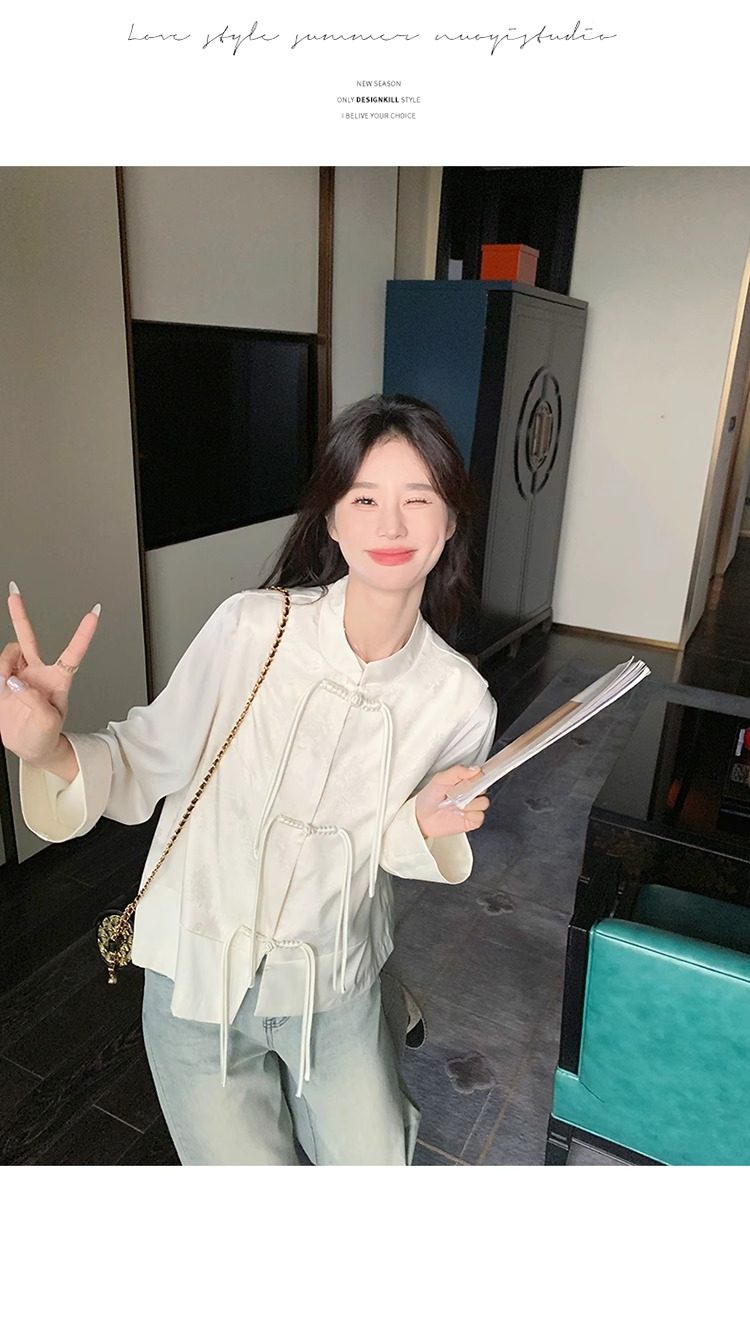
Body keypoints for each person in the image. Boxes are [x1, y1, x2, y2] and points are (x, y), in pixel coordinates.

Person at [0, 394, 497, 1166]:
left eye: (418, 499)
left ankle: (382, 1013)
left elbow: (390, 851)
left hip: (332, 986)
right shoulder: (253, 628)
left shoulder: (459, 701)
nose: (391, 526)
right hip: (196, 978)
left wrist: (422, 828)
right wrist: (48, 749)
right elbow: (144, 758)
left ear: (451, 520)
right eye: (365, 499)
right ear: (332, 520)